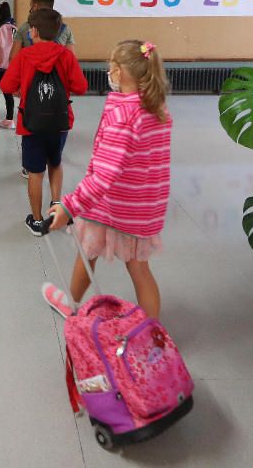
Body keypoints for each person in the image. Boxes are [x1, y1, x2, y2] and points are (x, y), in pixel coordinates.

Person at [43, 40, 171, 321]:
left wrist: (70, 206)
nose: (110, 73)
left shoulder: (123, 116)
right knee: (139, 268)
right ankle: (151, 334)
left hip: (112, 205)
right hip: (144, 206)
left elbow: (104, 176)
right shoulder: (155, 108)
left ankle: (70, 302)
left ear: (121, 72)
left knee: (86, 250)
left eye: (113, 67)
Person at [0, 8, 88, 236]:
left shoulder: (24, 56)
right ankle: (56, 208)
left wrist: (22, 89)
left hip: (31, 124)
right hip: (59, 122)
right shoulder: (66, 56)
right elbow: (80, 87)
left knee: (35, 172)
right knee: (55, 164)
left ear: (35, 31)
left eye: (30, 28)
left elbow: (6, 86)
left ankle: (37, 221)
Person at [9, 0, 76, 63]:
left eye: (31, 6)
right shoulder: (65, 29)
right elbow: (71, 60)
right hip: (57, 74)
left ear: (35, 6)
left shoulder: (25, 28)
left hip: (30, 73)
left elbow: (12, 59)